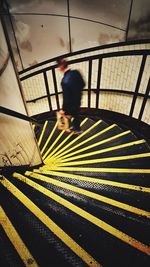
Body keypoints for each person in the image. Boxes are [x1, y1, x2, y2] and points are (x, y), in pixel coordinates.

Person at [57, 58, 85, 134]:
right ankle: (76, 127)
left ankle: (77, 129)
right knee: (76, 114)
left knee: (70, 115)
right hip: (78, 99)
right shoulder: (76, 72)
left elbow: (66, 98)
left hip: (70, 104)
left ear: (61, 67)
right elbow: (83, 84)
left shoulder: (64, 81)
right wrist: (77, 93)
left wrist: (63, 109)